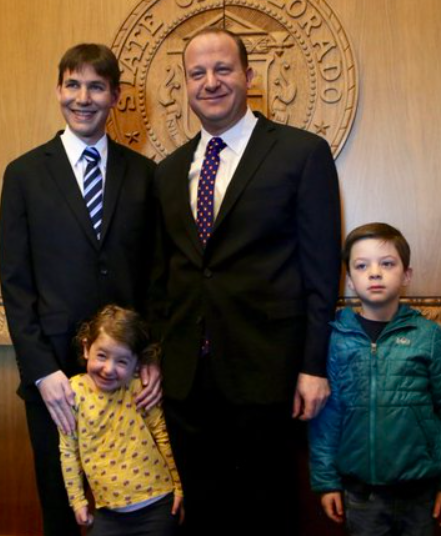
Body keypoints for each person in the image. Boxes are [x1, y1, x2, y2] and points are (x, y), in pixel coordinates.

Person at [150, 28, 342, 535]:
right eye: (197, 73)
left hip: (269, 376)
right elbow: (162, 278)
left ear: (249, 76)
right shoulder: (167, 173)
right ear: (186, 84)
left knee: (268, 513)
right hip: (188, 381)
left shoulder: (301, 154)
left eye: (223, 69)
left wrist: (313, 366)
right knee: (203, 515)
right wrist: (155, 357)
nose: (210, 82)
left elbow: (322, 270)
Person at [0, 43, 161, 536]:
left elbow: (156, 276)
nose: (83, 97)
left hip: (126, 371)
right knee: (63, 504)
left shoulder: (145, 175)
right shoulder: (24, 173)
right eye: (73, 85)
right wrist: (41, 369)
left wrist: (152, 356)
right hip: (54, 376)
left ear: (114, 96)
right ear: (58, 90)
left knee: (133, 504)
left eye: (96, 86)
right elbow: (15, 281)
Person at [309, 223, 441, 536]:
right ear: (350, 280)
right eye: (361, 265)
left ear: (406, 275)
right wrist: (326, 482)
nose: (375, 273)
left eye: (387, 263)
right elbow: (326, 421)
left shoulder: (429, 337)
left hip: (419, 492)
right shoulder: (335, 339)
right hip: (360, 494)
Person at [59, 305, 183, 535]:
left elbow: (161, 434)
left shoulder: (139, 387)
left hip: (158, 506)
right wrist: (77, 501)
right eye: (102, 356)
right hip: (108, 514)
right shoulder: (73, 392)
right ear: (86, 348)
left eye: (122, 361)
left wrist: (179, 487)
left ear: (137, 362)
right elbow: (68, 450)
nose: (109, 369)